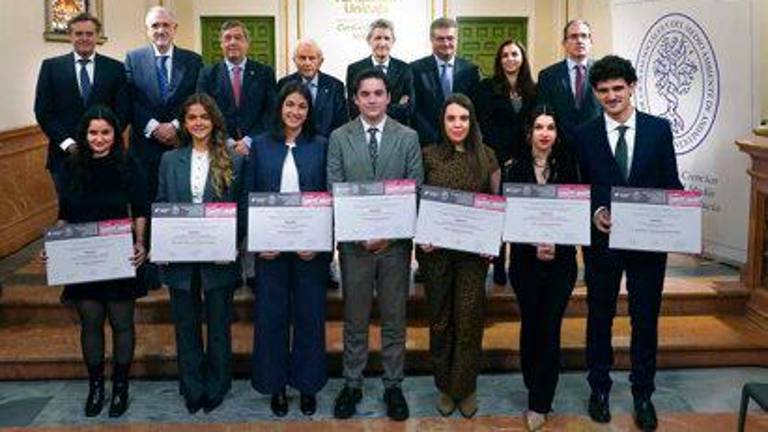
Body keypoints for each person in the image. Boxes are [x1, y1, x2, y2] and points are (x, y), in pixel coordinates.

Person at [573, 55, 682, 432]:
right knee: (599, 316)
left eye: (618, 88)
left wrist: (686, 220)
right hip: (602, 244)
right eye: (603, 91)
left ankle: (643, 393)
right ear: (596, 94)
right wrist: (595, 211)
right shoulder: (583, 133)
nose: (611, 96)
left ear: (632, 87)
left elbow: (672, 183)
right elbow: (579, 188)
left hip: (648, 244)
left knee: (645, 318)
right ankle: (598, 388)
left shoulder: (658, 130)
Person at [327, 68, 423, 421]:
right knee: (355, 318)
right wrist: (359, 233)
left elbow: (413, 187)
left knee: (395, 318)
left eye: (378, 93)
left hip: (395, 246)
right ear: (355, 98)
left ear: (387, 97)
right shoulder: (339, 137)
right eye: (364, 94)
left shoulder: (408, 136)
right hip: (354, 247)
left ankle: (393, 384)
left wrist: (389, 233)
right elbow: (334, 186)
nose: (371, 99)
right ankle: (352, 383)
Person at [43, 106, 148, 418]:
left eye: (105, 132)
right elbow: (64, 214)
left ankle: (119, 387)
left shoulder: (129, 163)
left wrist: (141, 243)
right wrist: (53, 244)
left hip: (119, 256)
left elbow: (140, 208)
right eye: (93, 132)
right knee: (90, 323)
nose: (99, 138)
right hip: (82, 259)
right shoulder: (71, 165)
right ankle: (95, 387)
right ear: (84, 135)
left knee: (121, 323)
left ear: (115, 135)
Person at [155, 93, 246, 414]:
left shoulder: (233, 159)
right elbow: (163, 203)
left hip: (219, 257)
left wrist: (234, 244)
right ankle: (192, 386)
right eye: (192, 117)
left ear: (214, 120)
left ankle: (217, 384)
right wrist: (160, 244)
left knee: (219, 324)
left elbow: (243, 209)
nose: (198, 123)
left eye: (204, 117)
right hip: (179, 257)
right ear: (184, 122)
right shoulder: (169, 160)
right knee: (186, 324)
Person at [247, 83, 329, 417]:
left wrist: (320, 240)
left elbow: (329, 195)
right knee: (271, 317)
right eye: (290, 105)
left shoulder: (321, 146)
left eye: (302, 107)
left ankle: (308, 385)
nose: (295, 112)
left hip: (311, 250)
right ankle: (275, 384)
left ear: (309, 112)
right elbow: (248, 194)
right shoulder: (261, 146)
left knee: (311, 317)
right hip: (270, 251)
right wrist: (256, 241)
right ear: (279, 107)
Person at [417, 93, 500, 418]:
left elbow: (495, 203)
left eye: (463, 118)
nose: (457, 124)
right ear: (443, 121)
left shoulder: (487, 157)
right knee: (440, 321)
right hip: (436, 255)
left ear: (472, 121)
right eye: (451, 118)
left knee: (468, 320)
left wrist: (490, 240)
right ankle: (444, 386)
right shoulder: (428, 156)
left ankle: (464, 387)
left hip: (471, 257)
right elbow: (417, 202)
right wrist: (422, 236)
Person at [505, 105, 579, 431]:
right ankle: (532, 379)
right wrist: (533, 244)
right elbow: (508, 219)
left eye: (550, 127)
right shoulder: (514, 169)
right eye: (539, 127)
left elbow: (576, 216)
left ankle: (540, 401)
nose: (545, 133)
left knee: (549, 328)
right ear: (529, 132)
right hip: (524, 263)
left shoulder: (570, 169)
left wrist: (556, 245)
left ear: (557, 133)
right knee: (531, 324)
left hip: (561, 264)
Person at [34, 12, 127, 199]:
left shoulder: (115, 68)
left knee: (108, 212)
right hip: (64, 157)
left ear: (97, 36)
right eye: (79, 34)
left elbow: (122, 111)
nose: (84, 38)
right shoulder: (51, 67)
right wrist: (69, 144)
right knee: (70, 214)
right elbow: (43, 111)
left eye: (89, 33)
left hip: (107, 157)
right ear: (70, 36)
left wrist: (102, 141)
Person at [476, 39, 537, 286]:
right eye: (505, 55)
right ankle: (498, 265)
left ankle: (519, 265)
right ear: (499, 61)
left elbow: (535, 123)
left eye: (514, 54)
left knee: (520, 214)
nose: (510, 59)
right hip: (495, 159)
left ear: (522, 58)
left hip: (525, 159)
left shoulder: (534, 88)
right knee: (497, 213)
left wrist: (522, 155)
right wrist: (500, 156)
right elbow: (483, 123)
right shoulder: (486, 87)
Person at [125, 6, 203, 200]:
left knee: (181, 196)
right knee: (146, 198)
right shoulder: (133, 59)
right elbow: (130, 99)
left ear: (175, 28)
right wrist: (154, 127)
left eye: (166, 25)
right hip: (145, 146)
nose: (161, 30)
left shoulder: (193, 61)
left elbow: (196, 98)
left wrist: (175, 126)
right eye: (155, 25)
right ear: (147, 30)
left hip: (182, 142)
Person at [197, 20, 277, 157]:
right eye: (227, 38)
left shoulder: (265, 73)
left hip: (257, 147)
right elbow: (204, 111)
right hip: (219, 149)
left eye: (238, 37)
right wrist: (227, 141)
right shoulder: (208, 74)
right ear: (221, 44)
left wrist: (248, 141)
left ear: (247, 43)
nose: (232, 42)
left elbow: (271, 111)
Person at [411, 17, 480, 146]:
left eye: (450, 38)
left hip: (462, 142)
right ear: (432, 40)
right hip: (428, 143)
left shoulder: (470, 70)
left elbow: (475, 108)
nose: (446, 43)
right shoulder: (416, 69)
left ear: (456, 40)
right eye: (440, 39)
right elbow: (415, 110)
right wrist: (433, 136)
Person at [537, 20, 601, 142]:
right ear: (564, 43)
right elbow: (543, 114)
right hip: (561, 147)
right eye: (573, 36)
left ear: (591, 42)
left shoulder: (603, 72)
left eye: (584, 36)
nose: (579, 41)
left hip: (596, 144)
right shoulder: (548, 76)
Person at [346, 19, 414, 125]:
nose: (382, 43)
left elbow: (408, 109)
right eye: (377, 38)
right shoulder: (354, 69)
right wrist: (395, 106)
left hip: (397, 131)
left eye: (387, 38)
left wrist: (370, 107)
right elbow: (353, 108)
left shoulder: (405, 69)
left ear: (393, 41)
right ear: (369, 41)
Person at [277, 39, 347, 138]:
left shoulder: (335, 86)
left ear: (320, 61)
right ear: (294, 60)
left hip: (326, 146)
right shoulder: (284, 84)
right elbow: (278, 117)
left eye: (312, 58)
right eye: (302, 58)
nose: (307, 63)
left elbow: (341, 122)